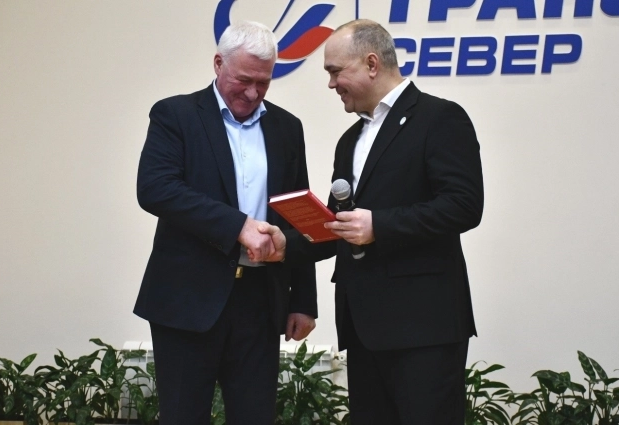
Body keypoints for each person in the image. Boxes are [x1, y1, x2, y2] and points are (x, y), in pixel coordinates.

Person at [256, 19, 484, 425]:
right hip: (363, 328)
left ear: (372, 64)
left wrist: (380, 226)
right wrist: (288, 244)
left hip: (424, 329)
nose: (331, 84)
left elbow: (464, 205)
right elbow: (338, 227)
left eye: (335, 72)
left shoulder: (440, 118)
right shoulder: (350, 140)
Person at [133, 21, 318, 425]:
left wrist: (303, 301)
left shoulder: (287, 128)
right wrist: (238, 226)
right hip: (188, 299)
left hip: (261, 301)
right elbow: (156, 189)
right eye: (244, 80)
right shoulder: (175, 115)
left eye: (263, 83)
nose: (252, 93)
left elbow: (297, 213)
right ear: (219, 64)